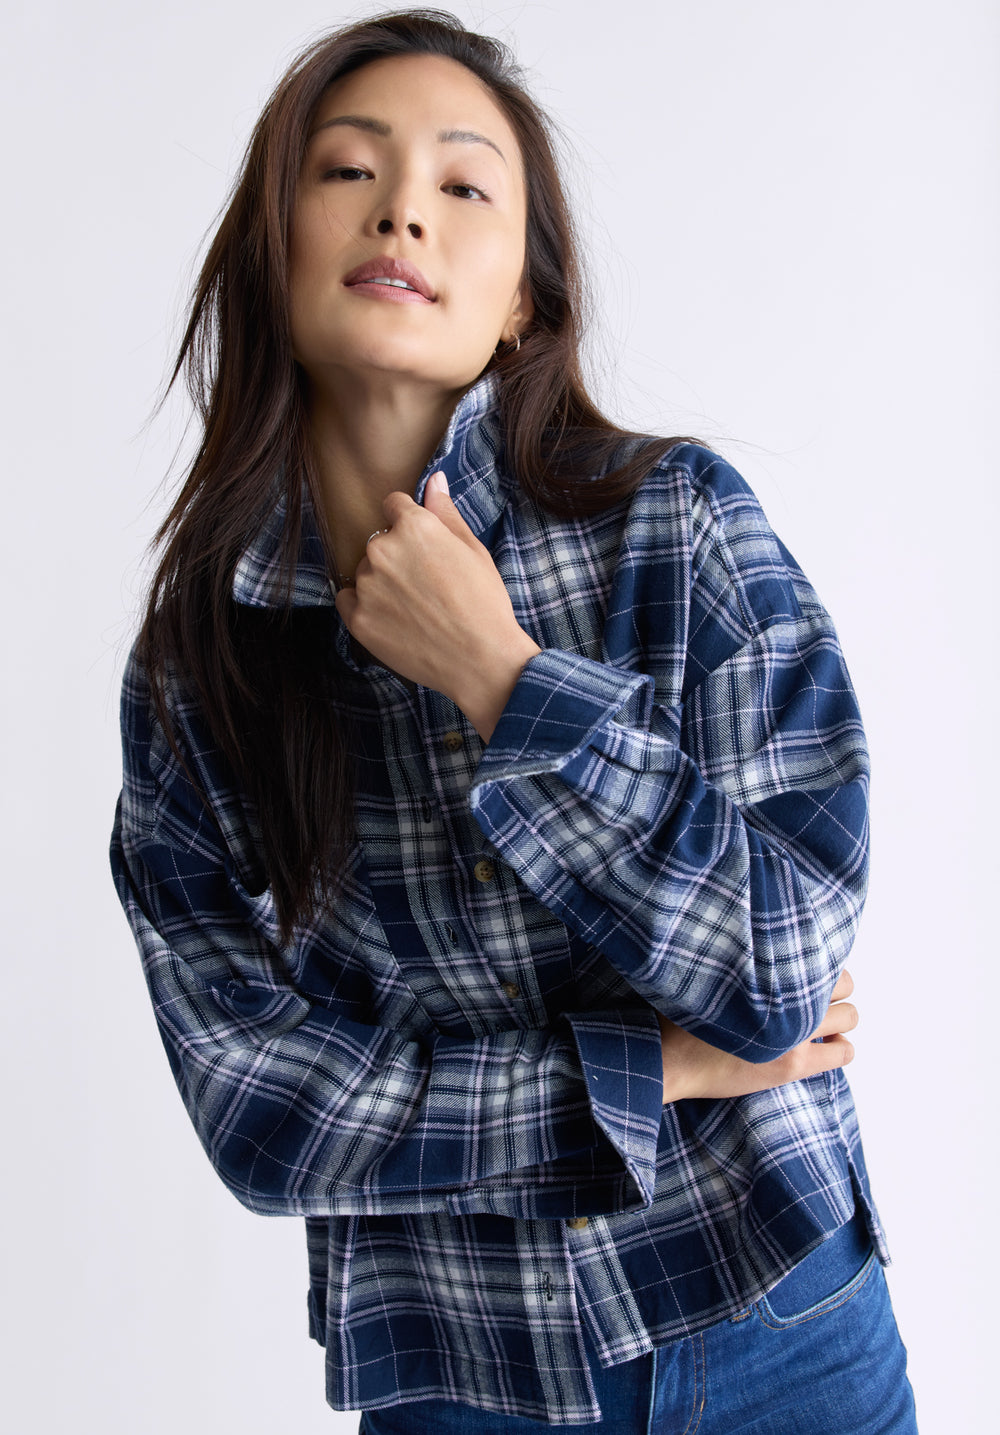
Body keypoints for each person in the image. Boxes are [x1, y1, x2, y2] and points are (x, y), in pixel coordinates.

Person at [110, 10, 918, 1432]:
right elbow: (262, 1112)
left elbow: (787, 968)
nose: (402, 209)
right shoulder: (199, 665)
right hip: (464, 1380)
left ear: (525, 304)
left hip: (784, 1324)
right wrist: (646, 1070)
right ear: (271, 252)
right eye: (346, 170)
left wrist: (503, 678)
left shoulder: (679, 521)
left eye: (463, 183)